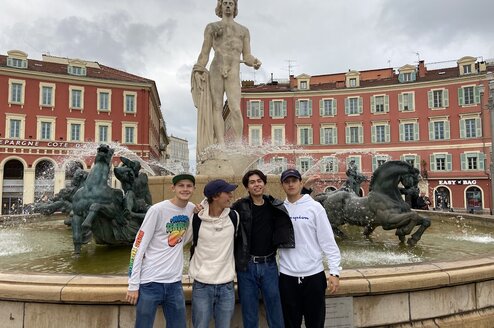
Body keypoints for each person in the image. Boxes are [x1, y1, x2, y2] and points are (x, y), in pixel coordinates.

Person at [126, 173, 196, 328]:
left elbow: (184, 239)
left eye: (189, 186)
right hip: (150, 283)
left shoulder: (191, 209)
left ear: (193, 189)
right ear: (173, 188)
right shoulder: (157, 210)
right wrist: (133, 284)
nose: (185, 189)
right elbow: (138, 246)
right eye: (181, 186)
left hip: (174, 284)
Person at [192, 0, 261, 154]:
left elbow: (247, 55)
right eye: (225, 3)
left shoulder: (243, 30)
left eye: (231, 3)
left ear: (235, 6)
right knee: (217, 106)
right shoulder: (212, 27)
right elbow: (205, 52)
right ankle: (221, 144)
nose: (228, 5)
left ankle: (238, 144)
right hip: (216, 68)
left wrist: (254, 61)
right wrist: (199, 68)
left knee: (235, 108)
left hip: (234, 71)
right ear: (220, 6)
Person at [278, 168, 341, 328]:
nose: (291, 184)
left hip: (313, 276)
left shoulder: (315, 208)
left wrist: (334, 272)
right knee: (290, 324)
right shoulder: (279, 209)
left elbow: (328, 242)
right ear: (282, 185)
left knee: (316, 323)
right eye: (287, 181)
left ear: (300, 183)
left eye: (294, 181)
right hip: (287, 277)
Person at [232, 170, 295, 328]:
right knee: (249, 311)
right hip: (247, 266)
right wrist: (201, 207)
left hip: (269, 265)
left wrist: (306, 189)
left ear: (264, 184)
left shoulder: (275, 205)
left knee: (275, 308)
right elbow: (220, 214)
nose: (256, 184)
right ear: (247, 187)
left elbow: (296, 205)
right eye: (252, 182)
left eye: (259, 181)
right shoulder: (240, 206)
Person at [189, 179, 239, 328]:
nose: (231, 195)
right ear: (215, 196)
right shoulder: (196, 219)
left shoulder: (234, 216)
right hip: (202, 286)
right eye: (227, 193)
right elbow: (178, 241)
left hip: (227, 286)